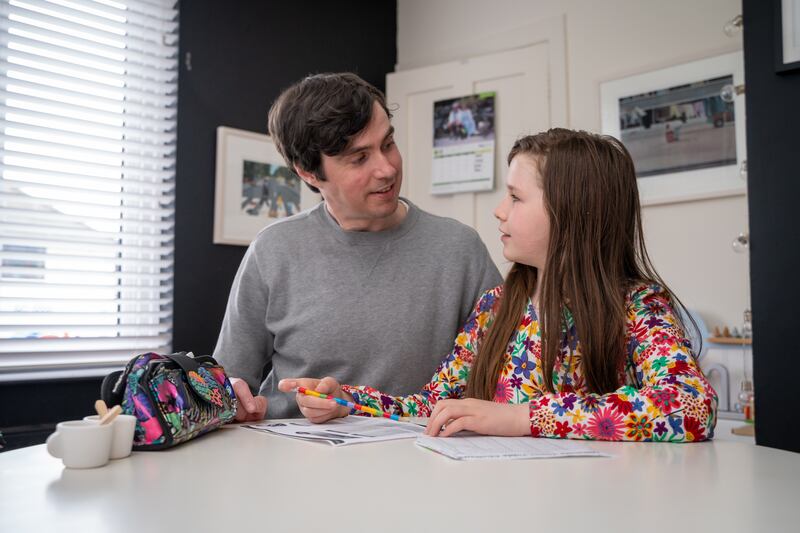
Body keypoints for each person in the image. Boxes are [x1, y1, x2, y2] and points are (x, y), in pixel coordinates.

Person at [279, 128, 718, 442]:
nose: (498, 210)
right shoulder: (497, 305)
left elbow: (689, 407)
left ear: (574, 213)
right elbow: (437, 403)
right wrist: (349, 401)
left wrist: (521, 418)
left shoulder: (639, 308)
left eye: (515, 197)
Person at [214, 73, 502, 421]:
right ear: (308, 172)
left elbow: (505, 379)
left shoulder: (460, 249)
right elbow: (228, 382)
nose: (387, 168)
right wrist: (234, 400)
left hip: (423, 459)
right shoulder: (273, 250)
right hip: (296, 462)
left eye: (388, 143)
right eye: (359, 157)